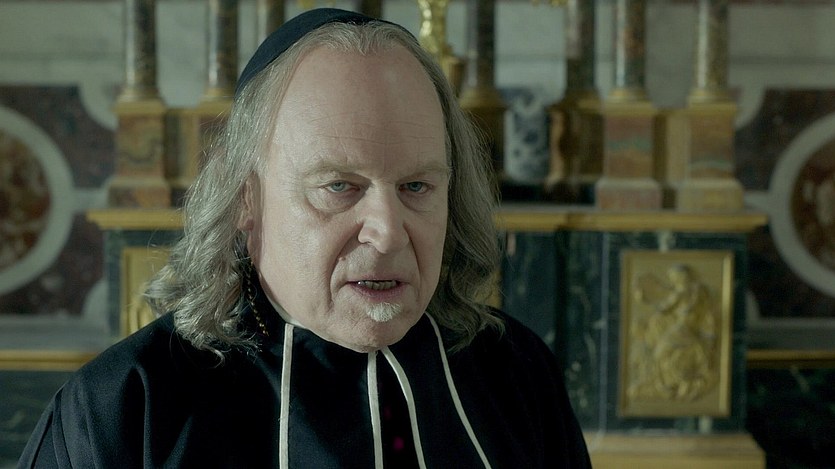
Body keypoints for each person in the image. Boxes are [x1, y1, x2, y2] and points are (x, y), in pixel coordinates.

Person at [19, 8, 590, 468]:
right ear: (246, 199)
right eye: (340, 186)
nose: (388, 232)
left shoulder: (515, 375)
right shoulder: (125, 409)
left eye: (416, 186)